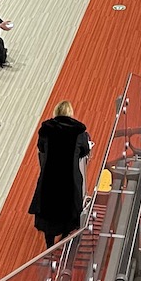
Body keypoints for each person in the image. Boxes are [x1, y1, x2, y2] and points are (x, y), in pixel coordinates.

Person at [29, 101, 92, 247]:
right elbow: (84, 151)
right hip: (70, 177)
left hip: (49, 177)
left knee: (48, 209)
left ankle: (49, 245)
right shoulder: (79, 132)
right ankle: (64, 238)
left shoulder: (46, 129)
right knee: (69, 209)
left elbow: (41, 148)